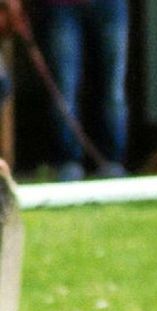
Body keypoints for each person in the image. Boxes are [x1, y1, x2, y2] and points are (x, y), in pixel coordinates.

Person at [30, 0, 128, 181]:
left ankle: (112, 162)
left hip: (110, 5)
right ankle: (67, 163)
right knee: (63, 88)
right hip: (60, 5)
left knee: (113, 89)